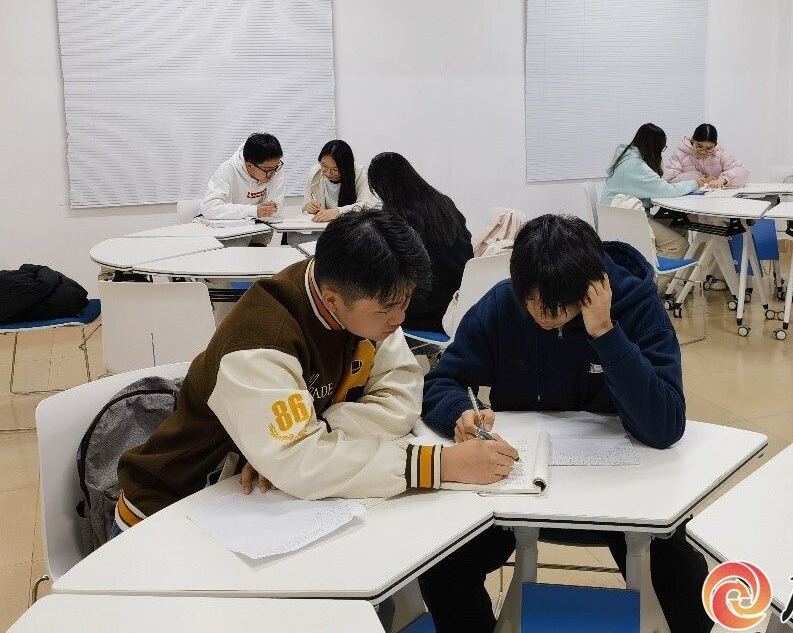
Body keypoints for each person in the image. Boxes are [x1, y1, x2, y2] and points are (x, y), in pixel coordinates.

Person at [115, 209, 517, 536]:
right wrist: (439, 465)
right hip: (172, 510)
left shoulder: (364, 298)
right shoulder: (261, 341)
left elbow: (402, 395)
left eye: (405, 302)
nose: (400, 319)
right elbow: (302, 462)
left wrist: (311, 437)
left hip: (259, 504)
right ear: (332, 299)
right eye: (388, 309)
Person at [418, 214, 712, 633]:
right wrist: (459, 414)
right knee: (441, 567)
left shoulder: (634, 305)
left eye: (558, 309)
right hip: (519, 484)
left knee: (683, 578)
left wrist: (606, 333)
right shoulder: (502, 305)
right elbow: (442, 381)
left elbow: (665, 425)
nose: (544, 317)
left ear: (594, 288)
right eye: (532, 303)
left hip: (619, 488)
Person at [367, 152, 474, 333]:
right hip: (459, 303)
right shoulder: (444, 203)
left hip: (425, 312)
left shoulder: (394, 215)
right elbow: (467, 247)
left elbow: (384, 268)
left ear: (381, 187)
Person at [601, 123, 698, 260]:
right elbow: (667, 190)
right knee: (680, 245)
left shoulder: (626, 157)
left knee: (679, 226)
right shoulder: (635, 166)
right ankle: (651, 271)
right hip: (625, 219)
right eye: (662, 148)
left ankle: (669, 271)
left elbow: (659, 187)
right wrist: (696, 183)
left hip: (618, 215)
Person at [201, 133, 285, 220]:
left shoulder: (275, 168)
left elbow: (274, 210)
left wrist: (257, 212)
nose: (273, 174)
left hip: (259, 226)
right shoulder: (227, 170)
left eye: (276, 167)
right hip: (228, 226)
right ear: (249, 166)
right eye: (267, 170)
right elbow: (209, 208)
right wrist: (253, 211)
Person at [303, 139, 381, 223]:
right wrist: (310, 209)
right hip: (324, 227)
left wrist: (339, 211)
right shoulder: (316, 173)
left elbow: (369, 205)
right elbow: (305, 210)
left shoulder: (358, 172)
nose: (328, 173)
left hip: (353, 226)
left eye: (335, 169)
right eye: (324, 166)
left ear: (345, 167)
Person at [663, 123, 750, 189]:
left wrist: (723, 180)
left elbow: (743, 172)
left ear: (715, 145)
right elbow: (669, 180)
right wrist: (697, 178)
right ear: (692, 141)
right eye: (699, 146)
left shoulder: (720, 153)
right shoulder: (680, 154)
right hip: (688, 202)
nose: (703, 151)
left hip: (717, 200)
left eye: (709, 148)